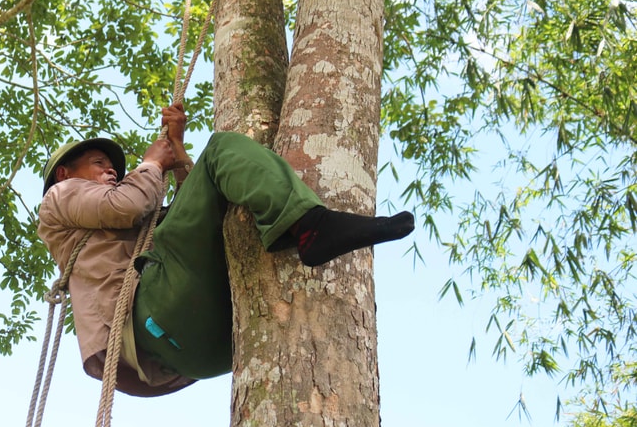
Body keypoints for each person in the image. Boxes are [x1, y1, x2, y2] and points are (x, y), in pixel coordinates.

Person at [38, 103, 414, 396]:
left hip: (199, 350)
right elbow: (128, 205)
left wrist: (178, 150)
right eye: (100, 164)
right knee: (220, 147)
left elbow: (193, 209)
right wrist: (152, 163)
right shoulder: (60, 197)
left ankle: (300, 225)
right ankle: (310, 226)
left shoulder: (123, 228)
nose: (111, 172)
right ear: (64, 173)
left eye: (114, 169)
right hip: (152, 322)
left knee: (216, 189)